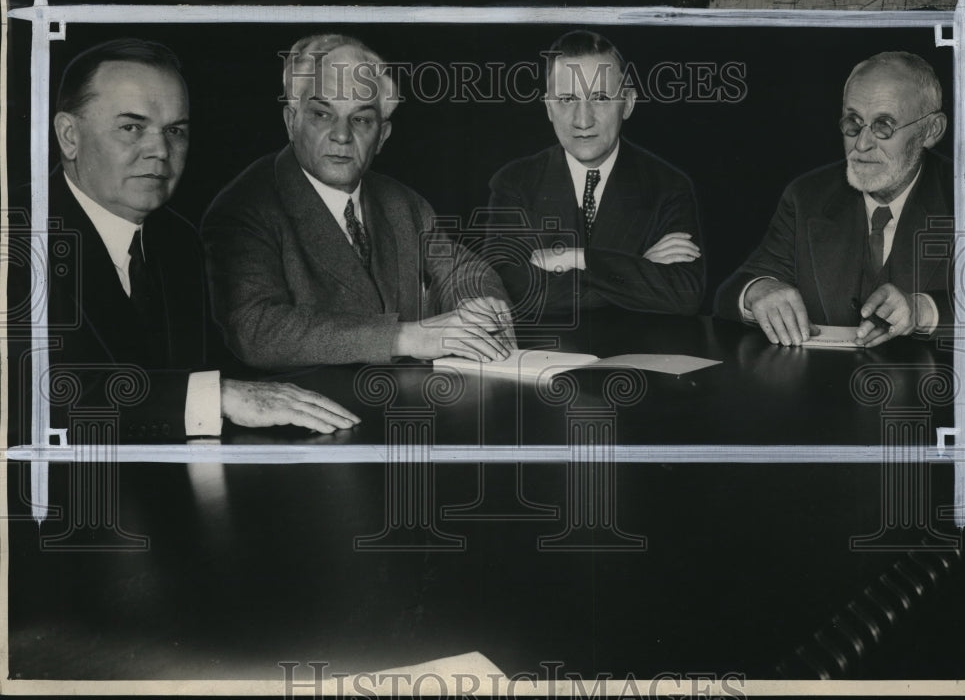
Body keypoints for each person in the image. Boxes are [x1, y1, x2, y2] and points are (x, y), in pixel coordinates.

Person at [43, 38, 359, 441]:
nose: (160, 150)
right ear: (69, 135)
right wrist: (217, 396)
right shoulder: (16, 237)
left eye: (175, 130)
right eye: (131, 127)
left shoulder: (175, 238)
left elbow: (228, 364)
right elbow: (32, 399)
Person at [201, 34, 513, 368]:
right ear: (291, 122)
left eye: (361, 119)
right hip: (306, 410)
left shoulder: (403, 203)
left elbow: (460, 270)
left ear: (382, 136)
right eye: (322, 114)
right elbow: (257, 328)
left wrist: (480, 306)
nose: (341, 135)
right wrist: (403, 337)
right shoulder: (245, 206)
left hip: (404, 406)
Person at [715, 51, 965, 347]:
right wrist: (759, 290)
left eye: (884, 125)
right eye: (853, 122)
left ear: (931, 131)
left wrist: (923, 310)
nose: (861, 143)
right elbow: (732, 292)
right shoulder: (807, 196)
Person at [486, 30, 705, 318]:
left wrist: (577, 258)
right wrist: (636, 268)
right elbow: (511, 290)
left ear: (627, 103)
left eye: (600, 98)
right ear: (549, 108)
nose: (582, 119)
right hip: (549, 358)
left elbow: (684, 294)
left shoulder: (668, 186)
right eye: (566, 99)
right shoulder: (515, 182)